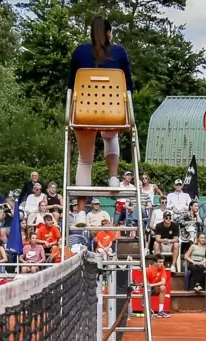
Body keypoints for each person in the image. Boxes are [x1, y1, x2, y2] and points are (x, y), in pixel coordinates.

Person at [69, 16, 133, 221]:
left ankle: (80, 212)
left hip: (83, 114)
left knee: (85, 159)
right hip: (112, 114)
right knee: (109, 136)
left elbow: (71, 87)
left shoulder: (79, 52)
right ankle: (113, 178)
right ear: (109, 34)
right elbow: (128, 88)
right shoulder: (120, 52)